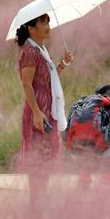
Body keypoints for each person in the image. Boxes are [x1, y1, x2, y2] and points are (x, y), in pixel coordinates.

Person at [16, 14, 74, 206]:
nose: (48, 26)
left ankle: (40, 202)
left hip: (47, 110)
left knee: (46, 159)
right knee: (38, 160)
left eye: (48, 22)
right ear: (31, 28)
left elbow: (48, 78)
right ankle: (36, 204)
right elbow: (27, 84)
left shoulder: (41, 50)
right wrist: (36, 112)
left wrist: (63, 64)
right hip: (39, 113)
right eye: (43, 22)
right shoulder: (30, 51)